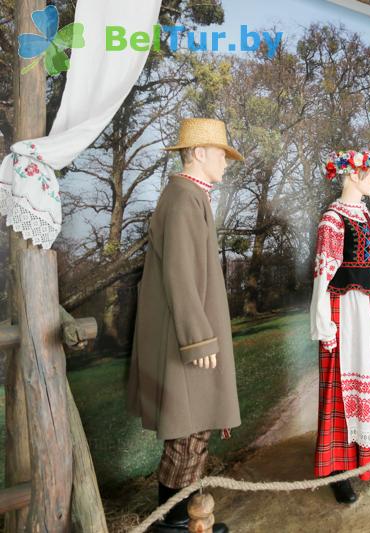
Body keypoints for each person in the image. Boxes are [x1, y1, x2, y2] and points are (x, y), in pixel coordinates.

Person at [128, 118, 243, 532]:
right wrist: (198, 339)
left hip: (192, 338)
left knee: (193, 432)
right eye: (220, 154)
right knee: (186, 432)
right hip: (185, 343)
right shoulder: (181, 199)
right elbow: (179, 275)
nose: (226, 164)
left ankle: (188, 518)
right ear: (198, 153)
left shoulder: (191, 196)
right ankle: (176, 523)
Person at [310, 150, 370, 503]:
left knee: (366, 377)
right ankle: (336, 468)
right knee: (340, 385)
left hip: (365, 308)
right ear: (355, 175)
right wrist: (323, 321)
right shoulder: (333, 219)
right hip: (342, 307)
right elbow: (323, 272)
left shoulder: (366, 216)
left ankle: (363, 459)